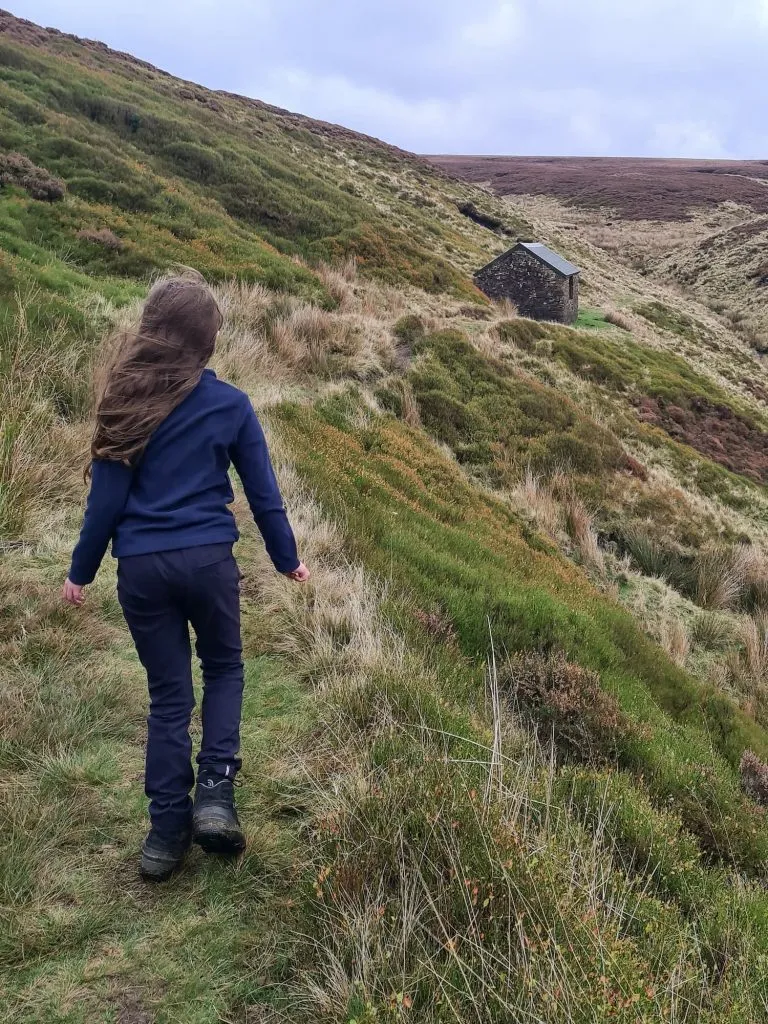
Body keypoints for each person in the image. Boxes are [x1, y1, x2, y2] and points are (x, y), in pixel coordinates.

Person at [62, 272, 309, 882]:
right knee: (224, 668)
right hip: (207, 563)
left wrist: (80, 572)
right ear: (205, 339)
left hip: (142, 569)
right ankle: (217, 798)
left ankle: (166, 833)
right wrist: (287, 560)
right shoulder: (231, 405)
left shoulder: (124, 398)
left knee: (168, 697)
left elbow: (106, 504)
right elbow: (264, 495)